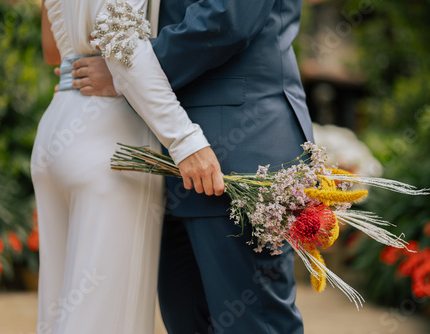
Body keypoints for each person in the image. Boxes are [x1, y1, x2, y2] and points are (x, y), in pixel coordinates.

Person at [73, 1, 315, 333]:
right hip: (171, 156)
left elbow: (228, 18)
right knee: (185, 317)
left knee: (253, 323)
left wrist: (125, 69)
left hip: (239, 147)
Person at [32, 0, 224, 333]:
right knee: (104, 317)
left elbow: (53, 51)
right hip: (109, 135)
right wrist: (185, 139)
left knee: (59, 311)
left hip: (58, 122)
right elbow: (124, 45)